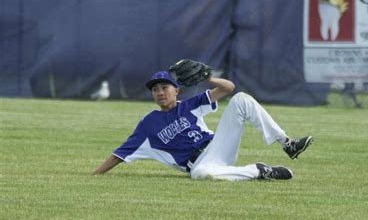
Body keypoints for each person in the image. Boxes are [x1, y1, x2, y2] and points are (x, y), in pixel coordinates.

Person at [92, 70, 313, 181]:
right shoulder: (148, 124)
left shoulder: (189, 105)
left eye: (164, 87)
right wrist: (95, 176)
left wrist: (208, 77)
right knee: (200, 173)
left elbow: (228, 88)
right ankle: (260, 171)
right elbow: (120, 153)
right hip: (199, 163)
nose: (159, 92)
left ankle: (288, 143)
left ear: (176, 90)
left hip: (217, 146)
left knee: (241, 99)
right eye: (155, 89)